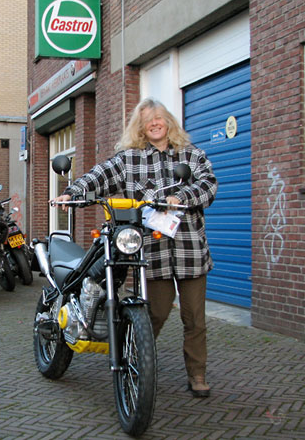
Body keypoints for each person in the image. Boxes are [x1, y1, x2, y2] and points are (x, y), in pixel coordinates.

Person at [51, 97, 218, 397]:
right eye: (147, 120)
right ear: (139, 127)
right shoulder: (129, 159)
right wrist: (72, 192)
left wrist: (181, 197)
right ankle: (135, 361)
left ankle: (197, 375)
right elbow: (99, 176)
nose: (154, 124)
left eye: (159, 118)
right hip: (151, 253)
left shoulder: (190, 154)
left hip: (189, 249)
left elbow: (208, 184)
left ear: (168, 121)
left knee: (194, 318)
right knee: (154, 314)